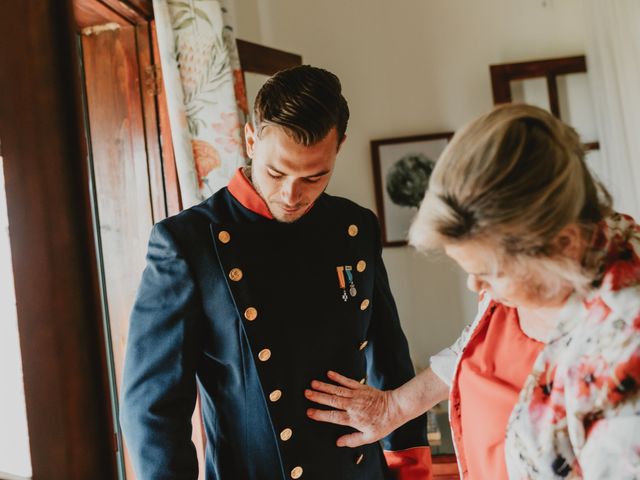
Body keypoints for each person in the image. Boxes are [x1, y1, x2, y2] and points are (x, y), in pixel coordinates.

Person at [119, 65, 431, 480]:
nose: (292, 195)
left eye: (314, 176)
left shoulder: (354, 227)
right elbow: (153, 407)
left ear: (339, 147)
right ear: (251, 140)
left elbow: (389, 357)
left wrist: (409, 465)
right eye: (276, 172)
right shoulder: (187, 243)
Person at [306, 104, 640, 479]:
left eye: (488, 273)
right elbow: (477, 343)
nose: (476, 286)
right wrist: (394, 407)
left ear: (562, 244)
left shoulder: (625, 349)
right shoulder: (532, 274)